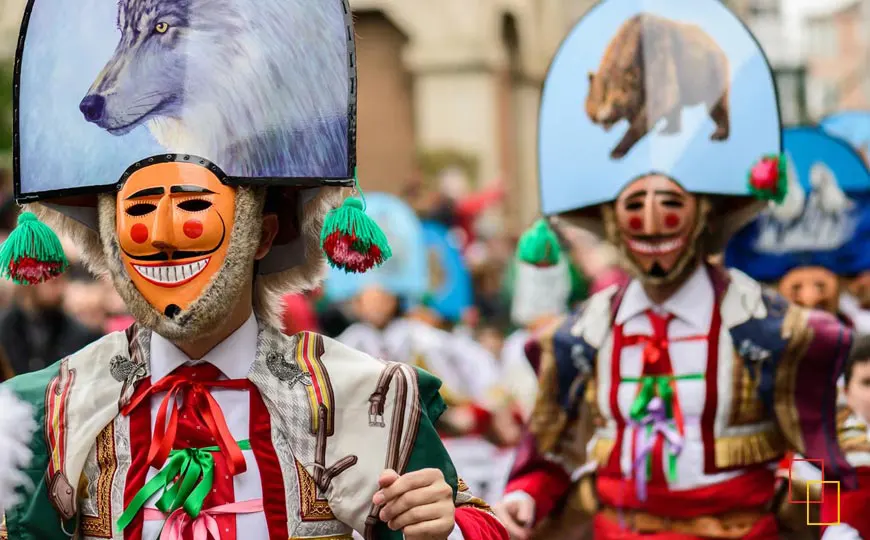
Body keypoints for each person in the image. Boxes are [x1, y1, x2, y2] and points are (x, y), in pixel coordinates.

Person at [0, 1, 508, 538]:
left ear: (262, 234)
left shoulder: (362, 396)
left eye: (194, 206)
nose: (165, 237)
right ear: (111, 238)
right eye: (141, 211)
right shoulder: (56, 407)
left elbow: (478, 524)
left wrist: (445, 526)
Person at [492, 2, 864, 539]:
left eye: (668, 205)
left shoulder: (767, 324)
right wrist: (525, 497)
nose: (650, 222)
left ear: (702, 214)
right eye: (633, 205)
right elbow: (550, 450)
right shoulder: (584, 333)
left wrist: (836, 529)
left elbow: (831, 447)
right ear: (611, 221)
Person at [0, 273, 102, 374]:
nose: (61, 289)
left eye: (63, 280)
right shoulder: (6, 327)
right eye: (54, 282)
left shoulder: (76, 332)